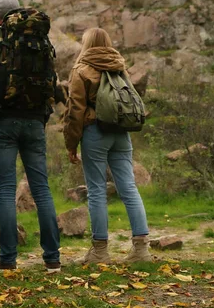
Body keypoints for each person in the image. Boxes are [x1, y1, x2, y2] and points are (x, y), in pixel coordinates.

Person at [0, 0, 61, 272]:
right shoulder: (40, 37)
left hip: (4, 119)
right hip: (35, 119)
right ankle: (52, 258)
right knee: (41, 189)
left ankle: (8, 259)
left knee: (6, 190)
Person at [63, 28, 152, 264]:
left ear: (87, 43)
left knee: (96, 192)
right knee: (129, 188)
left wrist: (71, 143)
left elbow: (75, 111)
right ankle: (142, 250)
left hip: (95, 132)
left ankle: (100, 252)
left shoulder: (81, 69)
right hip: (121, 133)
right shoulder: (118, 65)